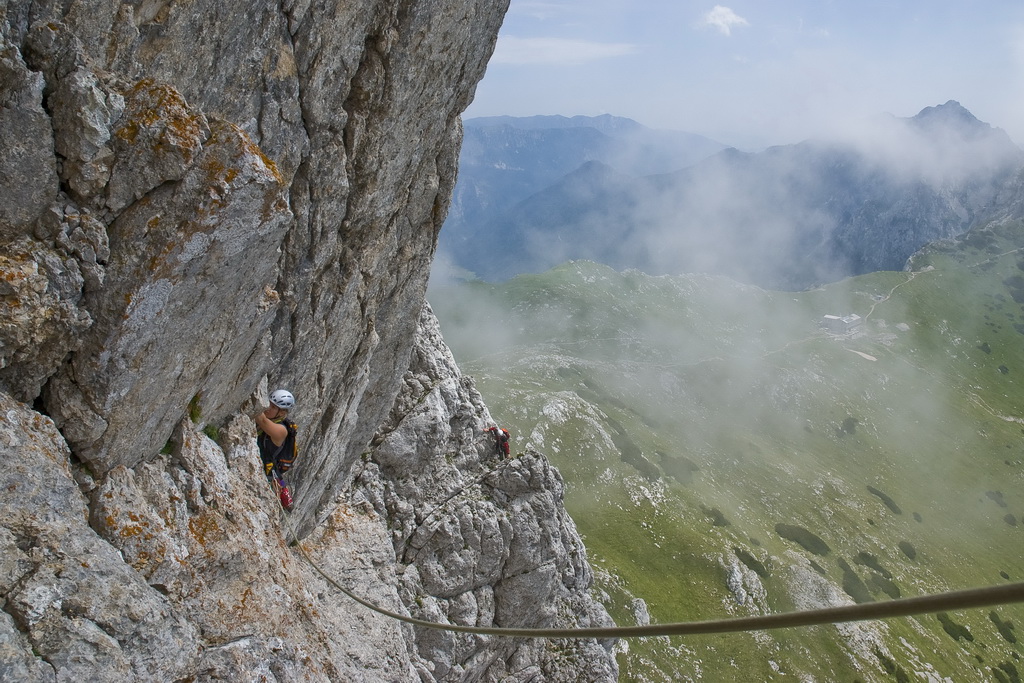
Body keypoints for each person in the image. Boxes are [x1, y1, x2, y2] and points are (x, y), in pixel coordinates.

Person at [255, 389, 297, 510]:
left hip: (267, 474)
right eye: (269, 403)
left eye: (273, 407)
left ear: (282, 412)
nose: (268, 408)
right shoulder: (274, 420)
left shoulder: (281, 430)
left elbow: (262, 420)